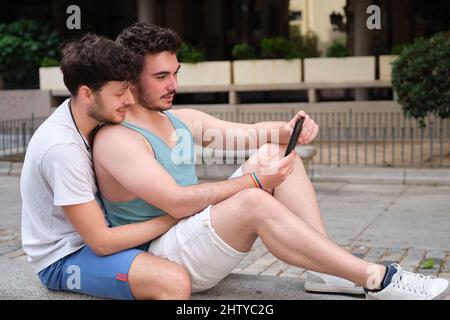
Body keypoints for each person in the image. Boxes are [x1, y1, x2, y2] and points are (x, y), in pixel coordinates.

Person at [92, 23, 450, 300]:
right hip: (162, 256)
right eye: (161, 77)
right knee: (252, 199)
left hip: (192, 232)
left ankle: (327, 272)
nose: (173, 84)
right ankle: (376, 278)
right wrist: (255, 182)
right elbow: (176, 202)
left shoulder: (178, 119)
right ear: (131, 80)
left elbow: (246, 134)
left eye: (175, 72)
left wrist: (286, 130)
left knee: (275, 154)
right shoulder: (118, 138)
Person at [20, 34, 192, 300]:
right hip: (65, 258)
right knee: (171, 281)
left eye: (129, 89)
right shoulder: (61, 148)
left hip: (99, 240)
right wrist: (175, 216)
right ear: (87, 94)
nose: (130, 101)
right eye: (120, 93)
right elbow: (100, 242)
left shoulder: (91, 120)